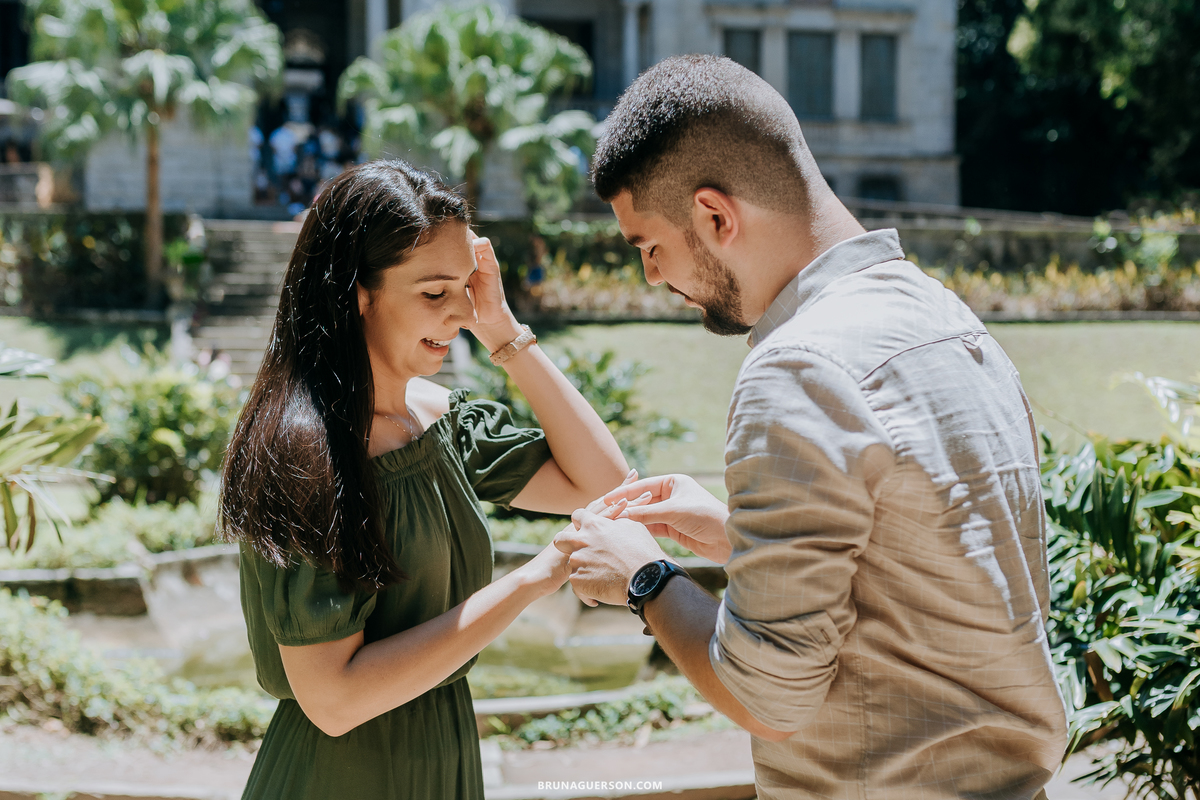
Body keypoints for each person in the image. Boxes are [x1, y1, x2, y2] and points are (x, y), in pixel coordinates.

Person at [554, 55, 1068, 798]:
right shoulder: (946, 316)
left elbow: (767, 696)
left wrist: (647, 577)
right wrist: (739, 537)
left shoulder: (796, 371)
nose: (653, 278)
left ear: (715, 216)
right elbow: (935, 573)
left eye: (650, 248)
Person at [220, 159, 632, 799]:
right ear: (358, 294)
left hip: (443, 760)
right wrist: (530, 582)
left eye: (466, 289)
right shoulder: (303, 454)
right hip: (341, 778)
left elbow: (604, 483)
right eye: (434, 293)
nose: (457, 315)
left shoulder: (437, 420)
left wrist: (501, 328)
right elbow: (334, 700)